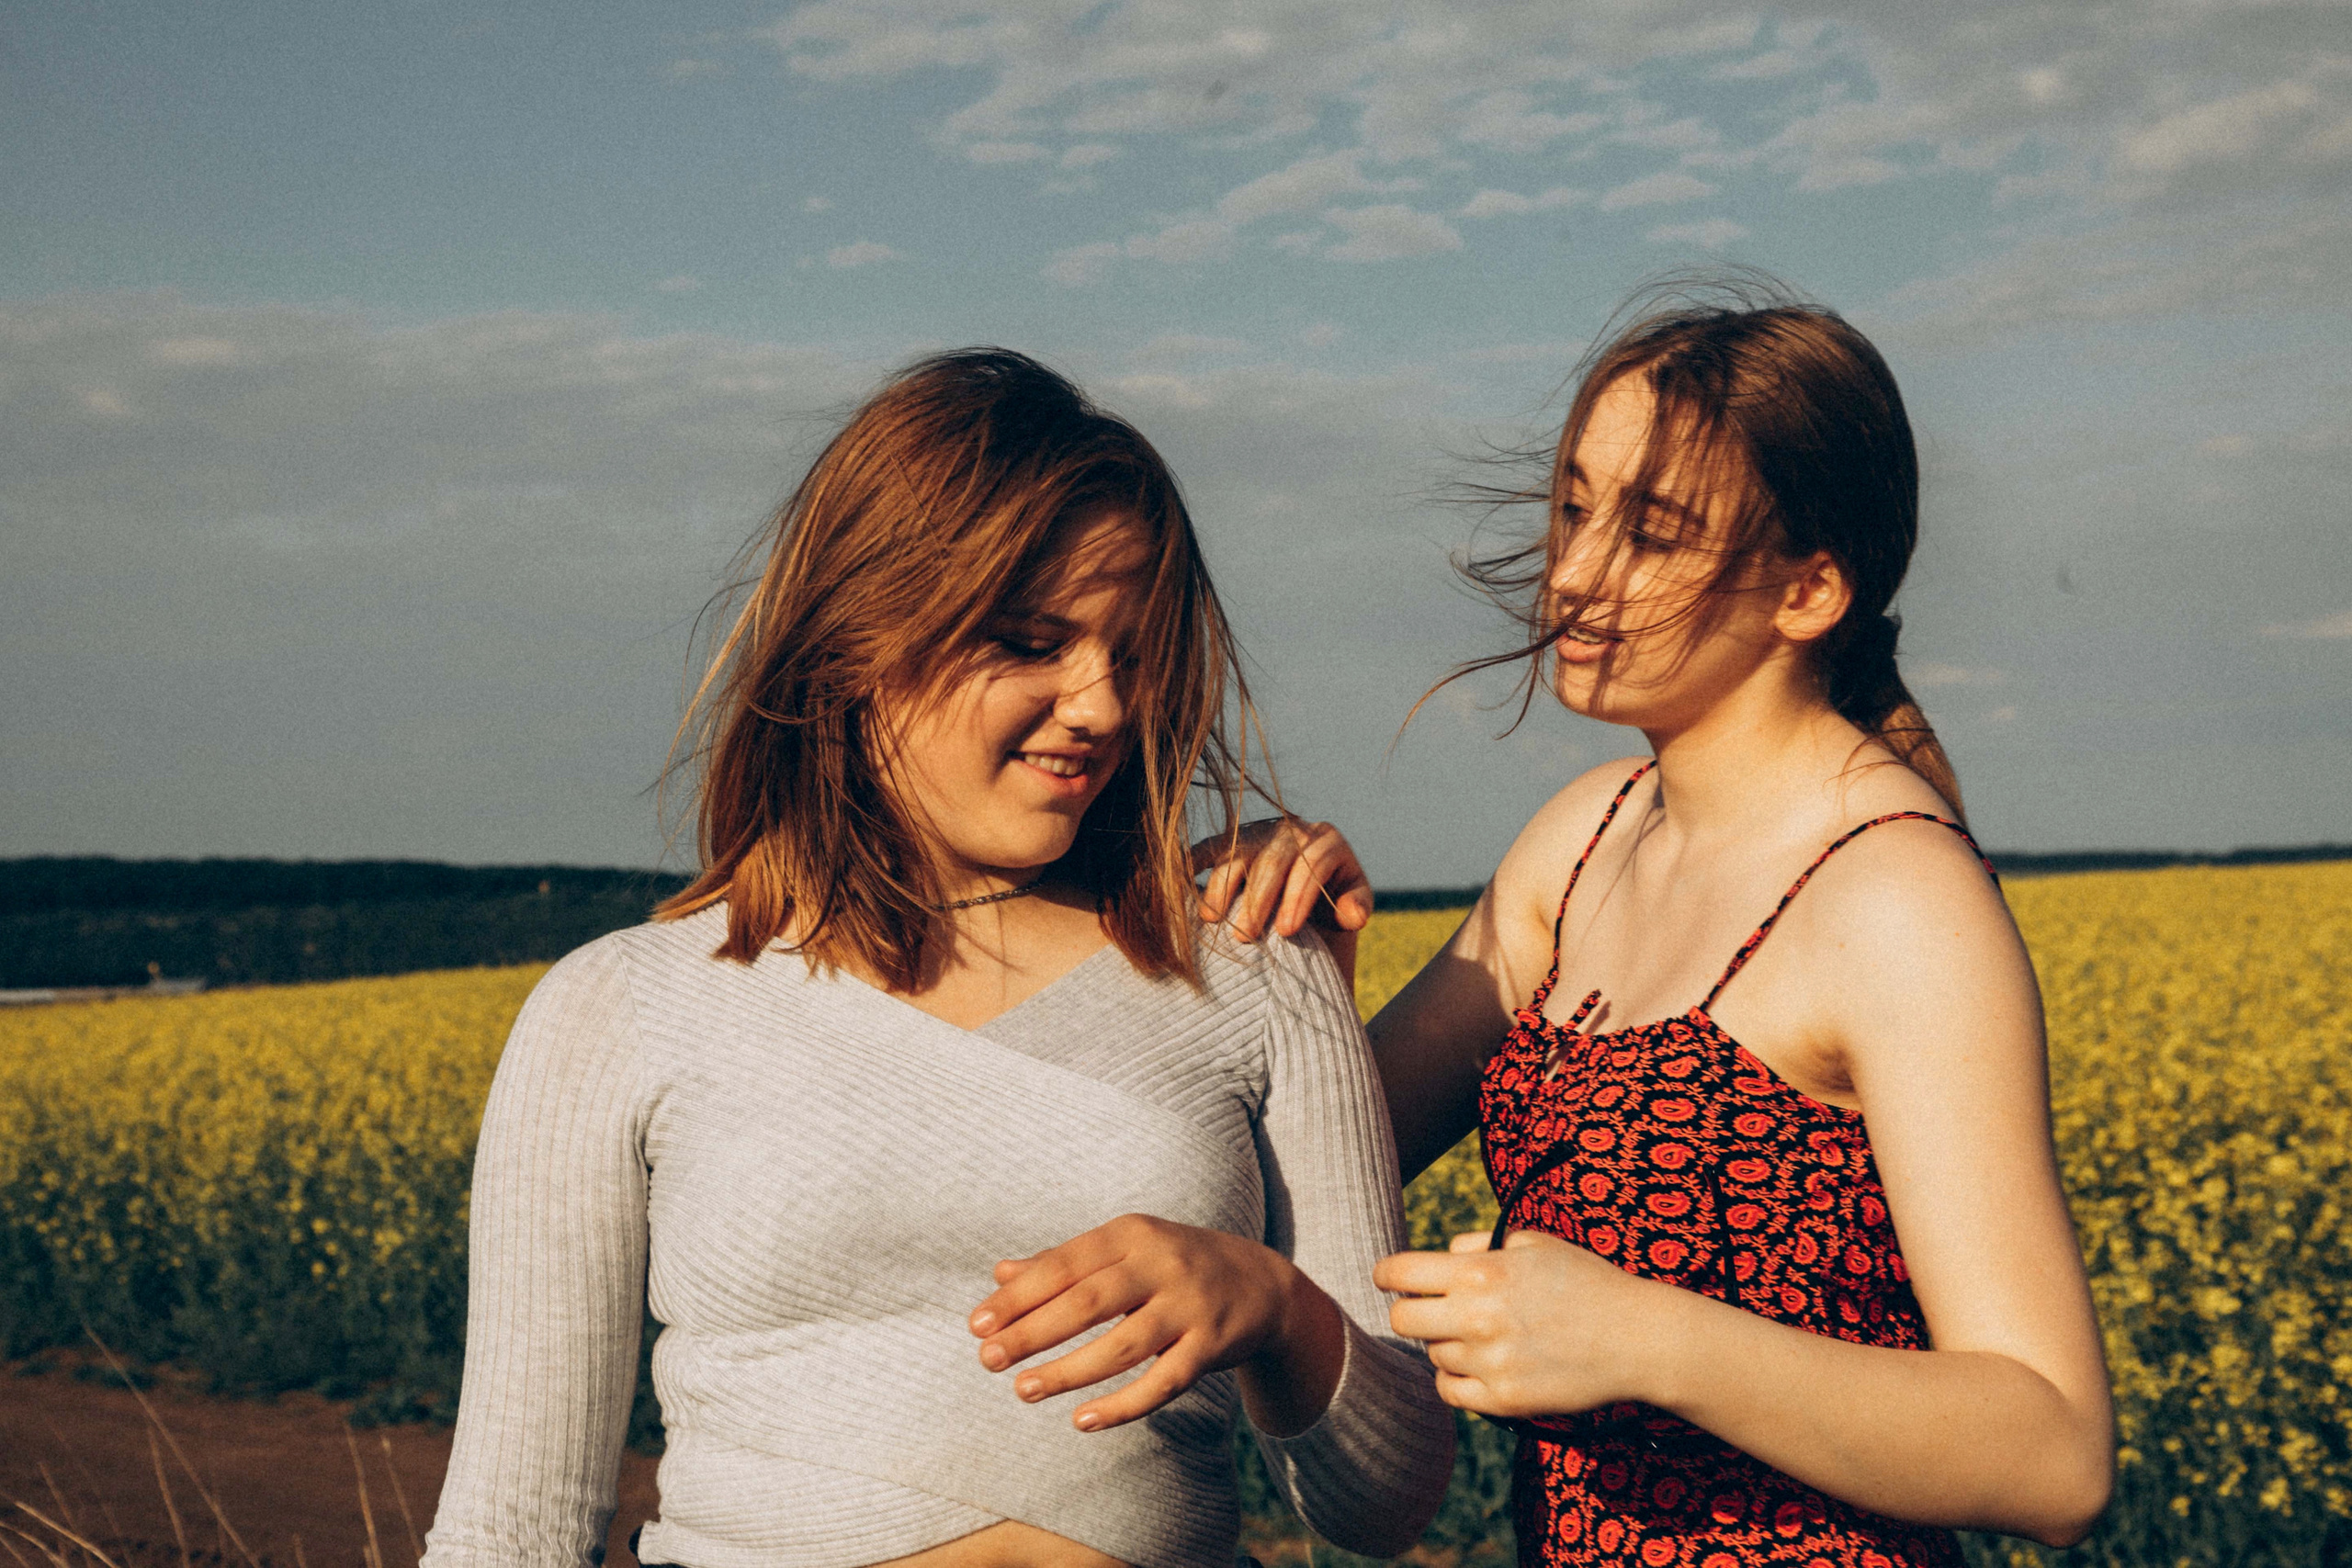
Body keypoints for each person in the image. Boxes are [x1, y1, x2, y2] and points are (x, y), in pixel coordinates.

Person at [419, 349, 1452, 1568]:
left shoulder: (1254, 967)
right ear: (859, 636)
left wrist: (1277, 1310)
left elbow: (1389, 1507)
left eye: (1131, 654)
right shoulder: (621, 1009)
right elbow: (512, 1529)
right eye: (1031, 641)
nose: (1103, 706)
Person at [1214, 284, 2116, 1565]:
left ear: (1809, 589)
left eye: (1653, 532)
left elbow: (2055, 1450)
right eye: (1575, 508)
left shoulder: (1895, 898)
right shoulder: (1584, 841)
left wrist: (1645, 1340)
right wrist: (1305, 953)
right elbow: (1311, 1162)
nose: (1574, 574)